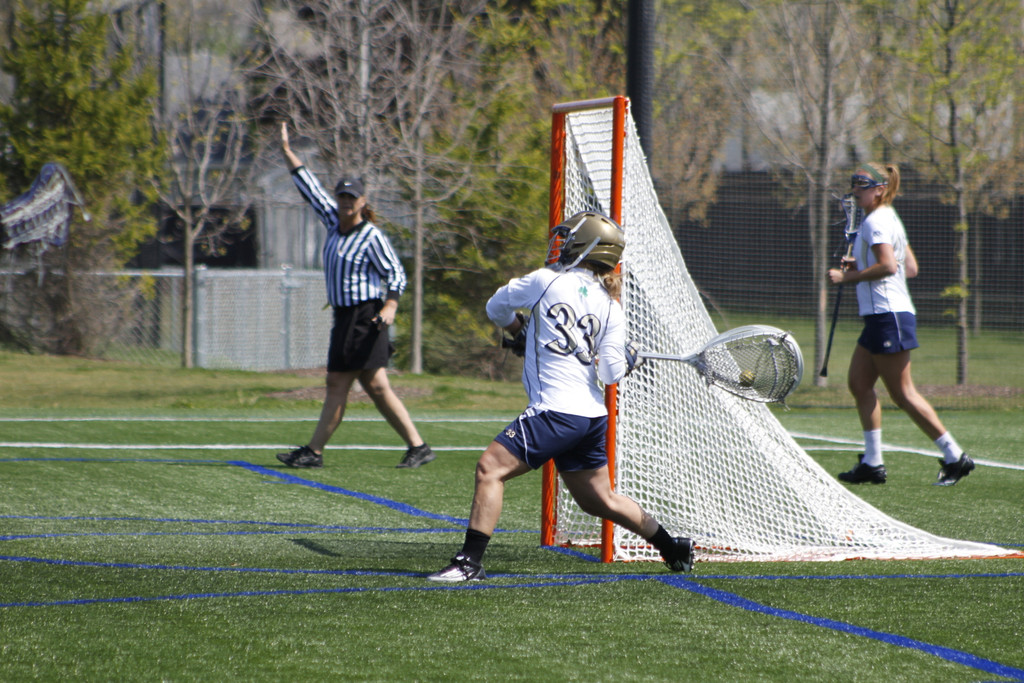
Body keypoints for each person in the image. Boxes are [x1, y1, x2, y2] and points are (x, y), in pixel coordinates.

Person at [428, 211, 695, 581]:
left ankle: (468, 562)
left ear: (587, 248)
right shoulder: (609, 305)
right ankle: (672, 547)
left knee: (490, 469)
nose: (560, 244)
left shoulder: (545, 281)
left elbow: (496, 307)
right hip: (589, 417)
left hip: (555, 412)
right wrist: (629, 359)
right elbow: (610, 373)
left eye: (568, 238)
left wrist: (517, 328)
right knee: (598, 500)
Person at [275, 122, 434, 470]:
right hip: (345, 318)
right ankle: (418, 446)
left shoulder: (371, 235)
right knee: (375, 386)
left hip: (366, 316)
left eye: (352, 197)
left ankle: (314, 452)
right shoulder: (333, 221)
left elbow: (395, 272)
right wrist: (288, 153)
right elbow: (310, 188)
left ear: (363, 201)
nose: (346, 202)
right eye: (342, 196)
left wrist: (391, 304)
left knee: (338, 383)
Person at [826, 162, 973, 486]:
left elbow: (891, 266)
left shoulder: (876, 221)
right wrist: (863, 262)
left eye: (862, 186)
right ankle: (873, 463)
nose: (856, 191)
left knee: (903, 394)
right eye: (854, 185)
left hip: (887, 316)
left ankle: (955, 456)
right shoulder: (888, 217)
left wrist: (848, 276)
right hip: (883, 316)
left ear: (880, 188)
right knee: (859, 384)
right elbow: (911, 268)